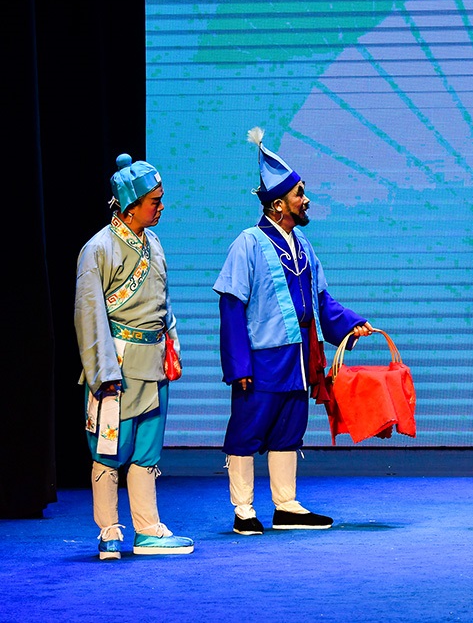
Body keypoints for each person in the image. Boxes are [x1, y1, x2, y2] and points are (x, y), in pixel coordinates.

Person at [215, 127, 373, 535]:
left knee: (289, 427)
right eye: (300, 194)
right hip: (262, 357)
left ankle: (285, 505)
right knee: (248, 428)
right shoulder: (247, 244)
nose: (306, 200)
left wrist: (351, 324)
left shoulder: (302, 243)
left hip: (300, 354)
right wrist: (238, 366)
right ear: (278, 205)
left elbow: (322, 300)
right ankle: (244, 509)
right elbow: (231, 307)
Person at [74, 154, 195, 560]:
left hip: (153, 363)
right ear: (130, 205)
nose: (161, 208)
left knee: (147, 449)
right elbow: (89, 315)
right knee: (109, 447)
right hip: (118, 365)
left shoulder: (154, 244)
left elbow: (163, 303)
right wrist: (102, 372)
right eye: (154, 202)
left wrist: (172, 346)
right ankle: (109, 531)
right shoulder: (98, 249)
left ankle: (147, 530)